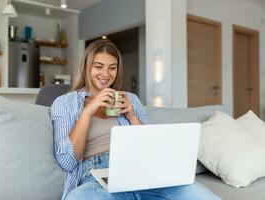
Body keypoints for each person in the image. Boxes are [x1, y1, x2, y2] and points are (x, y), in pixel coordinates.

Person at [50, 39, 221, 200]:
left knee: (199, 194)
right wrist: (87, 111)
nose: (105, 74)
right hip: (96, 175)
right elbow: (66, 162)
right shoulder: (65, 103)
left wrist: (132, 115)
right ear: (87, 67)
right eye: (99, 66)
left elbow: (150, 148)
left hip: (140, 170)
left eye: (112, 67)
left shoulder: (130, 99)